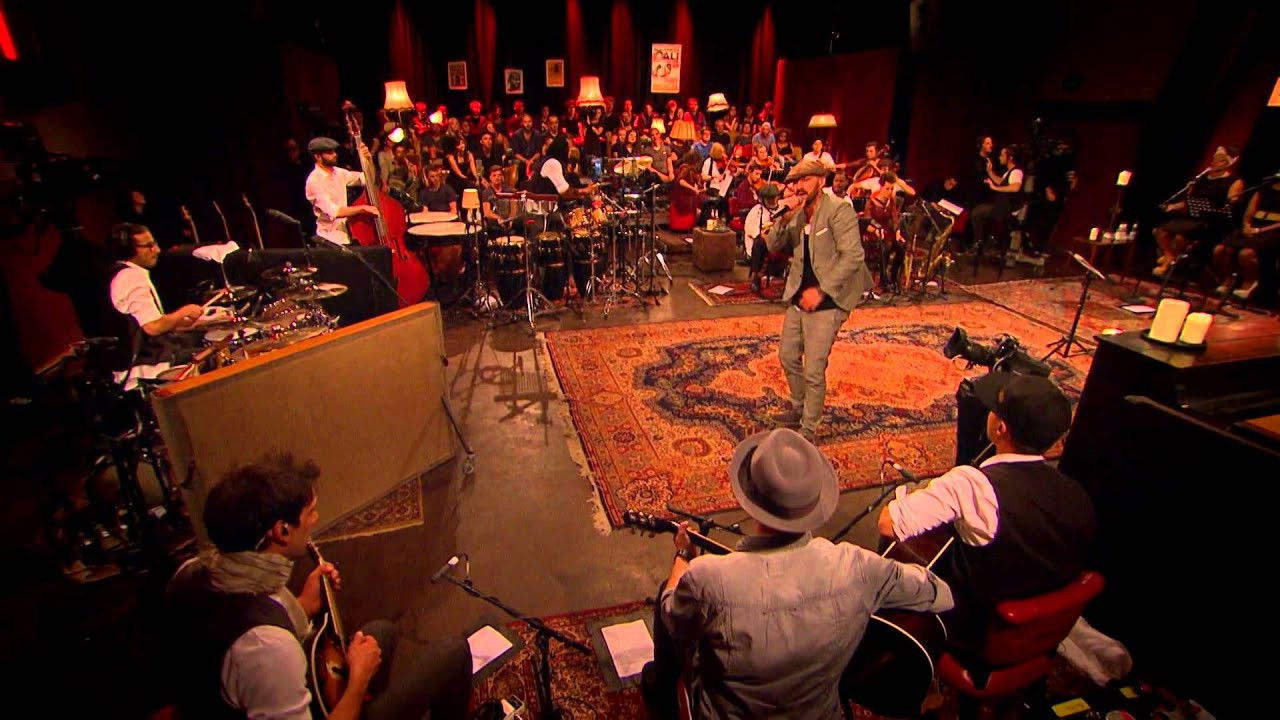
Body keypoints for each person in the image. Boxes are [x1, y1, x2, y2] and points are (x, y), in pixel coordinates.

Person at [641, 428, 953, 720]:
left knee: (668, 592)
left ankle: (660, 695)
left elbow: (672, 615)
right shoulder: (857, 566)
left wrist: (684, 555)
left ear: (749, 501)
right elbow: (939, 593)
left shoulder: (706, 578)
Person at [165, 452, 472, 720]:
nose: (316, 519)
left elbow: (231, 632)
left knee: (382, 631)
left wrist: (300, 606)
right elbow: (261, 648)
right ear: (282, 531)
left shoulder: (195, 572)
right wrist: (357, 682)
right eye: (310, 512)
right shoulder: (267, 648)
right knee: (454, 652)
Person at [877, 374, 1096, 654]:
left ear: (1000, 428)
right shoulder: (1076, 494)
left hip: (974, 630)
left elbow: (889, 524)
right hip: (1037, 631)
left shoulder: (973, 485)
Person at [765, 159, 874, 441]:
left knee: (814, 368)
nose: (799, 186)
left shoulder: (838, 210)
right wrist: (783, 216)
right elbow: (773, 245)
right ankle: (799, 406)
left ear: (821, 181)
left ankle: (809, 427)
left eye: (806, 180)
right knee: (787, 355)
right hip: (800, 293)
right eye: (796, 181)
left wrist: (821, 290)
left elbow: (853, 256)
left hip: (830, 296)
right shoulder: (798, 213)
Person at [107, 222, 213, 387]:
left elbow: (147, 325)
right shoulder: (130, 276)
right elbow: (153, 327)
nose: (156, 250)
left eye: (154, 243)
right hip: (148, 368)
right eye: (149, 246)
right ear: (128, 249)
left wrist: (194, 322)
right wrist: (182, 312)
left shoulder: (121, 273)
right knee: (212, 357)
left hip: (152, 360)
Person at [1155, 145, 1246, 277]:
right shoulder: (1201, 179)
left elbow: (1232, 204)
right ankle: (1170, 257)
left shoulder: (1235, 181)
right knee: (1160, 231)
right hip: (1192, 217)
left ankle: (1168, 263)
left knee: (1178, 236)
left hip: (1211, 221)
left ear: (1228, 163)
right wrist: (1172, 206)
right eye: (1215, 158)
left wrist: (1233, 200)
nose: (1215, 162)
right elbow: (1188, 201)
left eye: (1221, 159)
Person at [1212, 172, 1280, 300]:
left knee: (1246, 254)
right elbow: (1250, 210)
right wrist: (1246, 225)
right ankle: (1228, 280)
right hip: (1255, 225)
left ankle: (1249, 284)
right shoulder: (1264, 188)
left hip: (1273, 230)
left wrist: (1260, 230)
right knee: (1220, 250)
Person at [304, 137, 380, 246]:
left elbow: (367, 179)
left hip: (345, 236)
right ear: (318, 156)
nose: (335, 154)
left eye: (334, 151)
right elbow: (334, 212)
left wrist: (368, 160)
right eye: (330, 153)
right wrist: (362, 208)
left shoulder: (338, 173)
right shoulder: (314, 181)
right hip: (328, 240)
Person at [968, 145, 1024, 255]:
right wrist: (990, 172)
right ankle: (981, 241)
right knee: (978, 212)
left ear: (1010, 158)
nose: (1000, 157)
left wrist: (995, 188)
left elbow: (1015, 187)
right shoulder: (1009, 172)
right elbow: (1001, 181)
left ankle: (980, 242)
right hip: (1001, 206)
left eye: (1002, 155)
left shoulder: (1017, 172)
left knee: (977, 212)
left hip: (1007, 208)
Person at [745, 182, 783, 292]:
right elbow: (749, 228)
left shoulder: (782, 208)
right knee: (759, 243)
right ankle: (756, 277)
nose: (772, 201)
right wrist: (762, 234)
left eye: (774, 198)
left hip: (780, 240)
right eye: (769, 199)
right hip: (763, 242)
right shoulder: (756, 211)